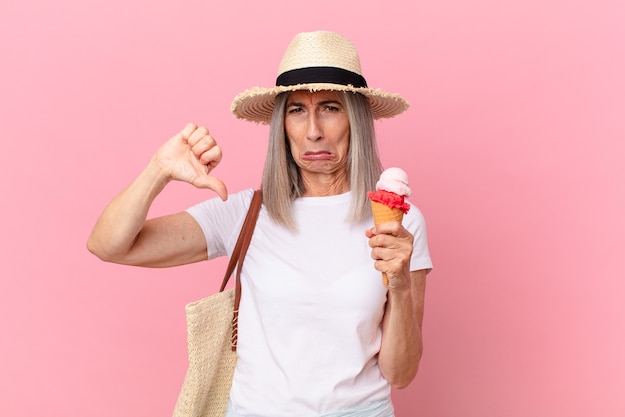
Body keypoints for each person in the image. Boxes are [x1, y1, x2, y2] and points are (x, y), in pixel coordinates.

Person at [88, 31, 432, 417]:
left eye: (331, 107)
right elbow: (109, 245)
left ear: (356, 119)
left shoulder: (401, 224)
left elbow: (400, 374)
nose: (313, 130)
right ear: (281, 125)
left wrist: (399, 282)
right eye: (297, 110)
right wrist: (158, 170)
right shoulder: (245, 213)